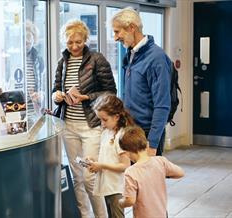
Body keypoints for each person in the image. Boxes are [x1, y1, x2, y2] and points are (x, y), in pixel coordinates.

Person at [52, 19, 116, 218]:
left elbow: (111, 92)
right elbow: (55, 89)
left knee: (90, 177)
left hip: (91, 127)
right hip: (68, 126)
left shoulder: (97, 59)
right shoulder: (62, 63)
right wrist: (56, 96)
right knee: (77, 178)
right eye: (69, 43)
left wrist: (86, 97)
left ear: (86, 39)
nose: (74, 46)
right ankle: (84, 215)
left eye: (78, 42)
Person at [111, 7, 172, 156]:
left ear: (132, 28)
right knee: (132, 178)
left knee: (148, 179)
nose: (115, 38)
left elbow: (162, 105)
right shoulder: (131, 53)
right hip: (130, 129)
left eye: (117, 31)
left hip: (146, 134)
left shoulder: (156, 58)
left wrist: (153, 142)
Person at [118, 126, 185, 218]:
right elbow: (180, 173)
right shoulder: (161, 161)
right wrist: (162, 172)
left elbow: (130, 201)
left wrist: (121, 202)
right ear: (147, 145)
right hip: (162, 214)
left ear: (127, 153)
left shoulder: (131, 172)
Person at [86, 94, 134, 218]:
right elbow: (108, 157)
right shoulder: (106, 133)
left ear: (117, 117)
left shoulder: (122, 136)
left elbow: (125, 165)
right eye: (100, 120)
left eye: (104, 120)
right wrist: (94, 162)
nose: (102, 123)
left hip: (116, 187)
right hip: (108, 185)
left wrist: (100, 165)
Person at [25, 20, 45, 115]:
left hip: (34, 105)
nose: (27, 43)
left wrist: (40, 94)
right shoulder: (14, 57)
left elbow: (43, 83)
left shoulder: (38, 58)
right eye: (25, 41)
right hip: (18, 104)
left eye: (29, 41)